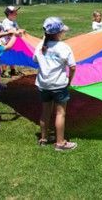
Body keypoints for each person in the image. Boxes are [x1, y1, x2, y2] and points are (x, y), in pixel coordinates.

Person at [34, 17, 77, 151]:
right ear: (59, 33)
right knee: (60, 113)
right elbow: (73, 67)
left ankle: (43, 138)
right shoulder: (63, 47)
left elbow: (35, 60)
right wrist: (69, 80)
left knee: (45, 111)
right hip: (58, 84)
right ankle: (60, 143)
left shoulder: (40, 46)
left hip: (43, 84)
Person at [1, 6, 23, 78]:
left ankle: (12, 70)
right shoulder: (6, 21)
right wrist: (17, 32)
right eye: (15, 12)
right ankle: (4, 72)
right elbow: (9, 31)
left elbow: (18, 28)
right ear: (9, 14)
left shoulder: (14, 21)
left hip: (12, 41)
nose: (16, 13)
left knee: (12, 55)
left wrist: (20, 30)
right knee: (6, 56)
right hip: (6, 42)